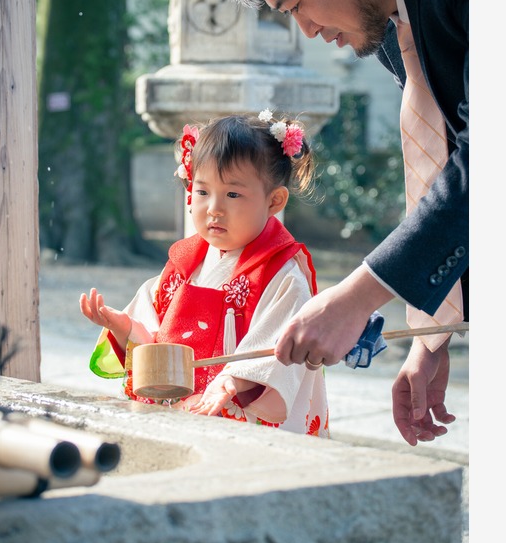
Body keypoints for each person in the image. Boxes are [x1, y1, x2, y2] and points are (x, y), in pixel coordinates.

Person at [215, 0, 468, 446]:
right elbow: (450, 161)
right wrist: (433, 335)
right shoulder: (387, 14)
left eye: (293, 5)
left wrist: (358, 297)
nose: (306, 30)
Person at [83, 111, 329, 437]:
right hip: (187, 408)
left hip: (237, 412)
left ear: (274, 201)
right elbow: (159, 332)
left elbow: (278, 344)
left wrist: (234, 379)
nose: (214, 208)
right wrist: (126, 327)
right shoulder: (186, 262)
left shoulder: (282, 274)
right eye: (202, 192)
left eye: (232, 194)